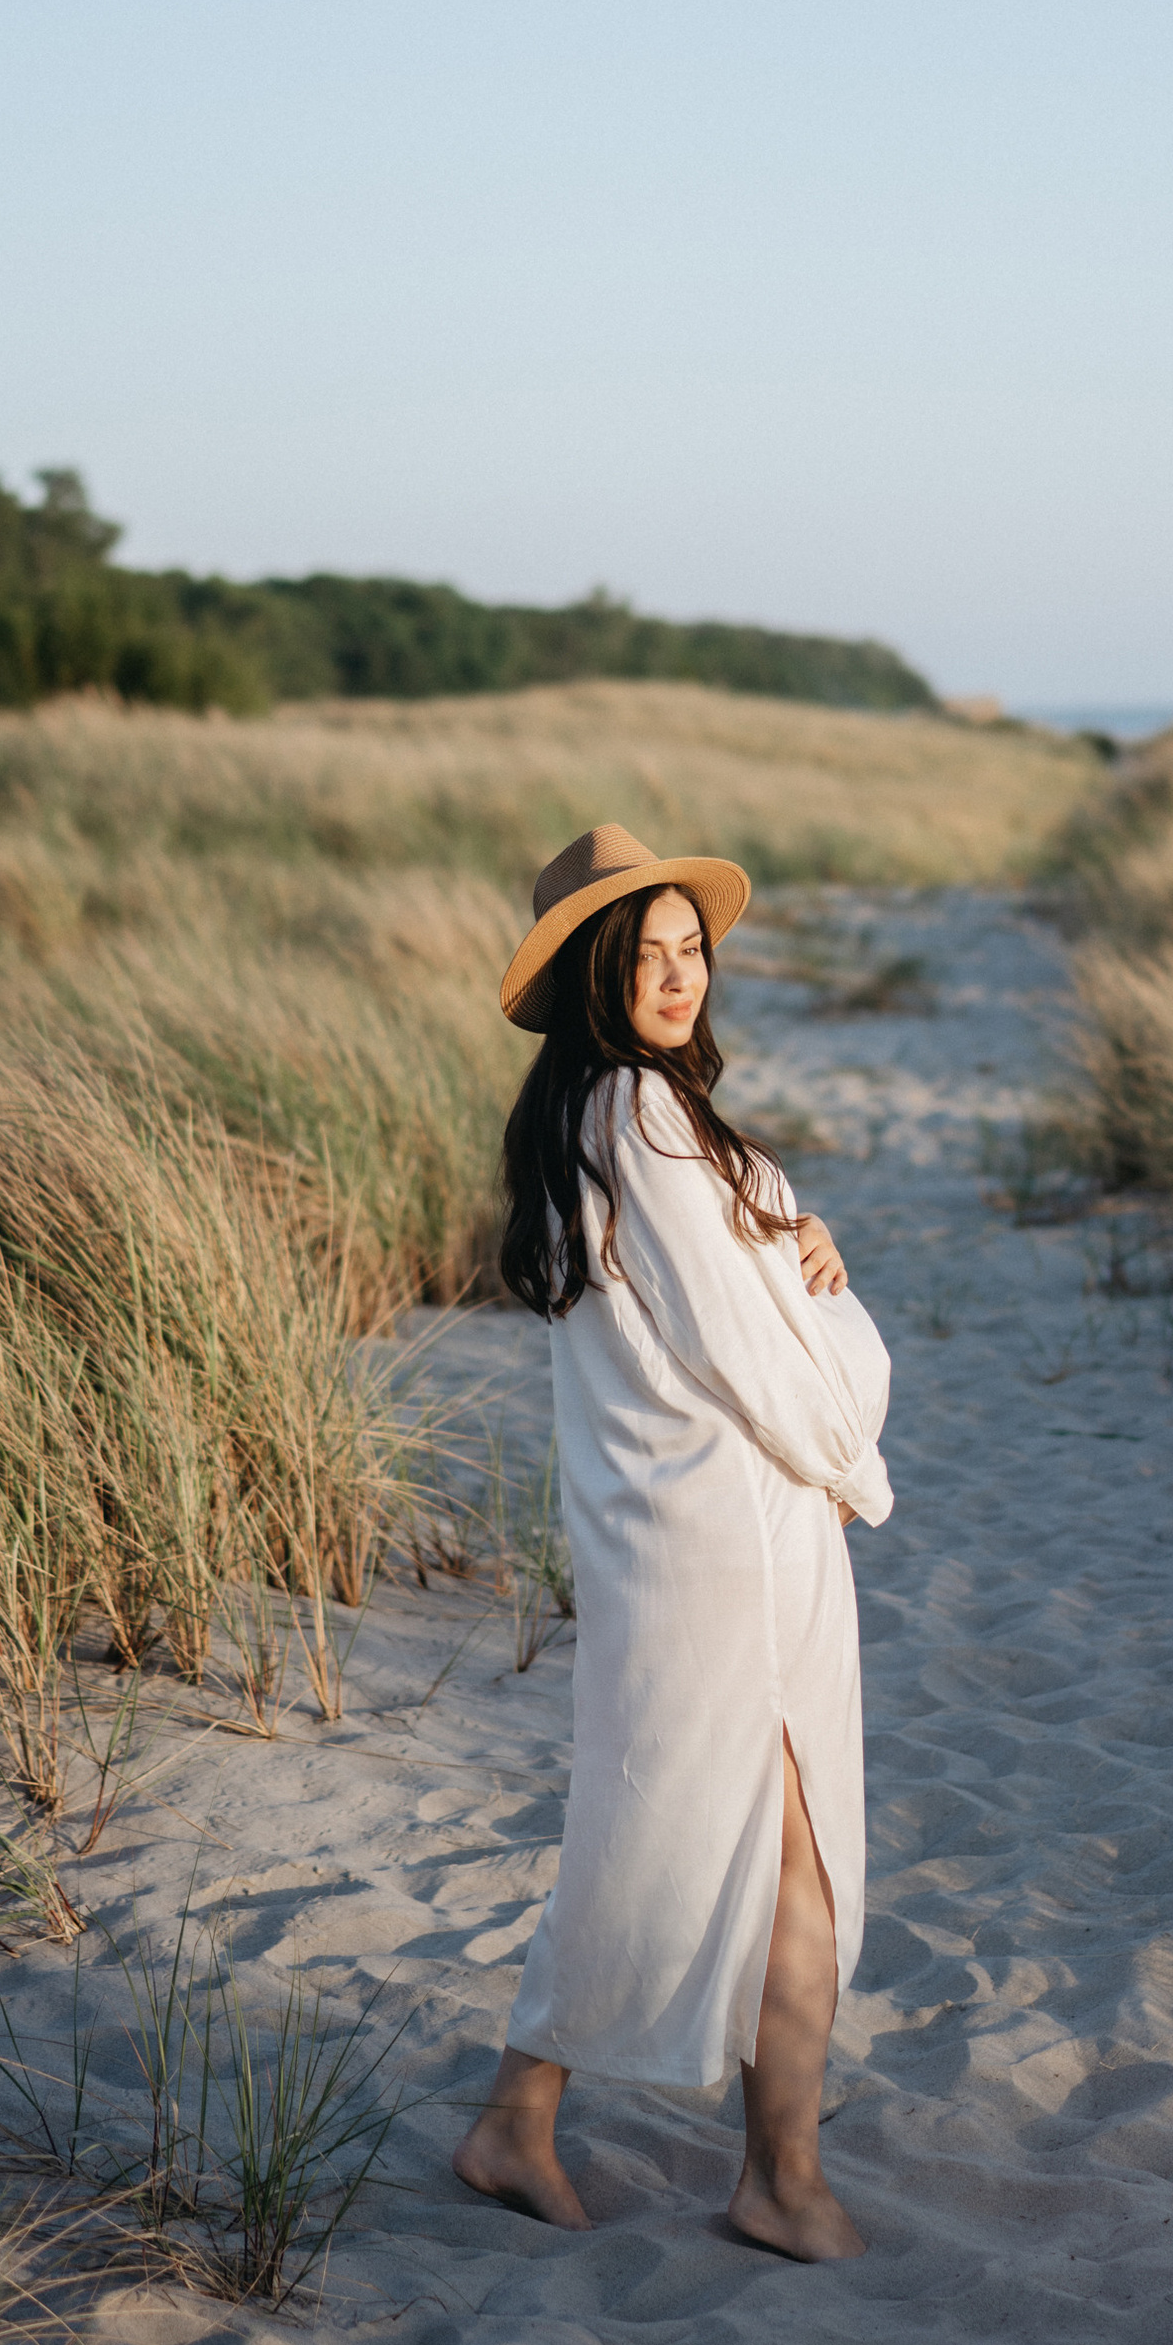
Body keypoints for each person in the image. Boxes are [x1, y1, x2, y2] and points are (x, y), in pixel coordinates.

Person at [451, 821, 892, 2262]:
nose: (676, 973)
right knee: (784, 1863)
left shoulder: (608, 1117)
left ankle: (523, 2118)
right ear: (594, 976)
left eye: (689, 948)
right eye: (643, 954)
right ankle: (779, 2181)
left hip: (686, 1533)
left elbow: (721, 1306)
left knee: (662, 1835)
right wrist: (847, 1447)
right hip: (727, 1540)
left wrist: (800, 1246)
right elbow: (738, 1346)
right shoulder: (638, 1110)